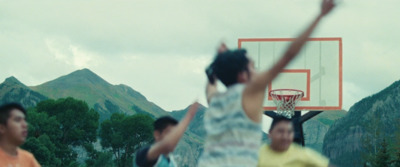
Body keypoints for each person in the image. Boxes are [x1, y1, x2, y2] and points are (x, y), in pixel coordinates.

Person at [198, 0, 336, 166]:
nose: (257, 70)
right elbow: (288, 55)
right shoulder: (251, 93)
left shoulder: (216, 100)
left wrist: (219, 62)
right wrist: (319, 16)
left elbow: (211, 84)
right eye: (252, 67)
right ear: (243, 76)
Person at [136, 102, 199, 167]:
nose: (174, 137)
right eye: (169, 133)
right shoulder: (144, 154)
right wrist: (189, 116)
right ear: (157, 134)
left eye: (175, 134)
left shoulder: (171, 161)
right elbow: (167, 144)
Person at [258, 116, 335, 167]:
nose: (285, 136)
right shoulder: (257, 155)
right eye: (280, 131)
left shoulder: (303, 155)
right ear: (270, 133)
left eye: (289, 132)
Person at [0, 103, 41, 167]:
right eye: (18, 120)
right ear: (2, 127)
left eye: (24, 120)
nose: (25, 125)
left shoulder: (28, 159)